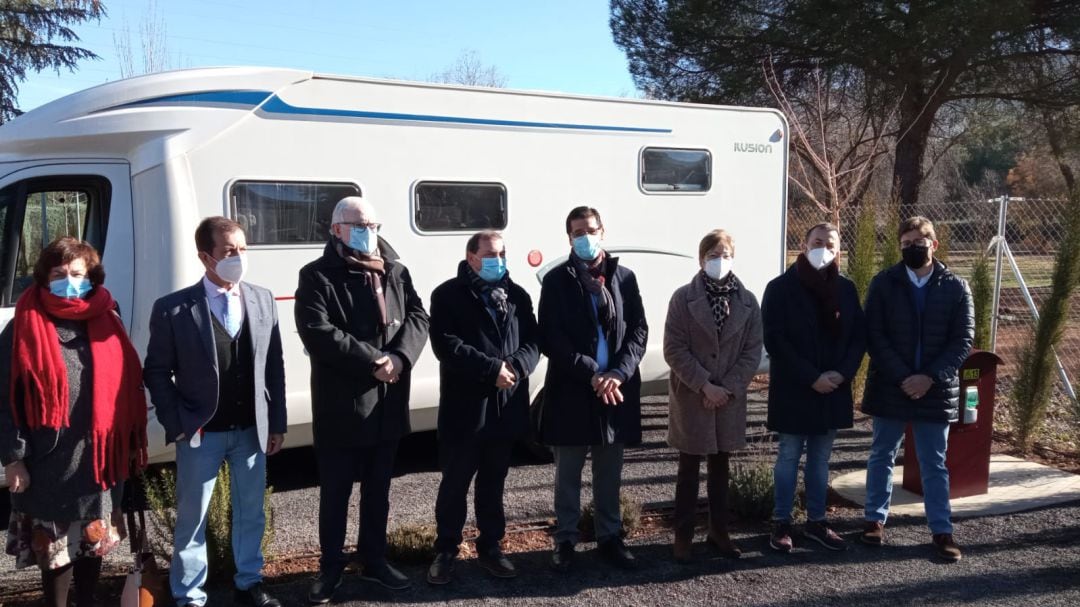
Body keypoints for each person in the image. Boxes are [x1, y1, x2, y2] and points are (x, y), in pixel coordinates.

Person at [143, 217, 286, 607]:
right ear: (206, 257)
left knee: (251, 513)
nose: (238, 257)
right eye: (229, 251)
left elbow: (274, 364)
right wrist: (178, 423)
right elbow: (156, 371)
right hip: (201, 432)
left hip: (251, 431)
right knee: (192, 519)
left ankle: (249, 582)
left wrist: (277, 422)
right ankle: (189, 595)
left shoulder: (262, 298)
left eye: (242, 249)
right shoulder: (174, 309)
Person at [0, 237, 148, 607]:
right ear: (44, 277)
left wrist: (128, 445)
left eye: (77, 273)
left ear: (92, 276)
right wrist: (13, 457)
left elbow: (127, 385)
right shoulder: (22, 327)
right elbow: (3, 400)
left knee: (91, 548)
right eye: (59, 273)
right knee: (55, 556)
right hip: (49, 463)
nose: (69, 280)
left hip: (98, 461)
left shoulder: (107, 320)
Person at [296, 197, 430, 603]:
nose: (367, 230)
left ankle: (374, 560)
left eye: (372, 223)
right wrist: (373, 360)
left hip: (388, 401)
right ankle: (330, 568)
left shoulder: (396, 271)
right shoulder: (317, 276)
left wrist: (400, 357)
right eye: (358, 224)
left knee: (378, 492)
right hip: (342, 406)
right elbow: (317, 330)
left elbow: (418, 318)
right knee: (335, 494)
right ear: (336, 229)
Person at [426, 231, 540, 585]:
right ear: (471, 257)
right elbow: (447, 345)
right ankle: (446, 550)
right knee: (455, 484)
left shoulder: (518, 296)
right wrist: (491, 370)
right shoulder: (447, 295)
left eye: (503, 253)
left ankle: (491, 546)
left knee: (493, 483)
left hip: (506, 410)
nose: (499, 260)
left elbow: (534, 342)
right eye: (491, 254)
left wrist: (517, 367)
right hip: (466, 411)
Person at [538, 206, 648, 572]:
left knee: (609, 472)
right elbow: (552, 337)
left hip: (615, 391)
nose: (584, 237)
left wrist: (617, 373)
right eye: (577, 232)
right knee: (567, 473)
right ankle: (566, 540)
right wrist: (592, 374)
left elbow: (638, 332)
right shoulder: (556, 281)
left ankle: (610, 537)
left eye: (590, 229)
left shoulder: (625, 278)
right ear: (568, 237)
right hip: (572, 389)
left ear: (603, 230)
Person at [861, 216, 973, 562]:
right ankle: (874, 520)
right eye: (906, 243)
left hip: (934, 390)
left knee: (934, 462)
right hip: (892, 386)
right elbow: (874, 335)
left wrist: (928, 378)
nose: (913, 247)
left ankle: (941, 529)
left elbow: (962, 341)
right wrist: (903, 377)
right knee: (882, 455)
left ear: (934, 243)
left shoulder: (956, 287)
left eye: (919, 241)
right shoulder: (884, 283)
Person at [762, 223, 865, 553]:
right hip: (795, 389)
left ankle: (817, 522)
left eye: (830, 243)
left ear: (838, 249)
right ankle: (781, 523)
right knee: (788, 457)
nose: (824, 247)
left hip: (832, 389)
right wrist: (811, 377)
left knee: (821, 460)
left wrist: (841, 374)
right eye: (817, 242)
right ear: (803, 245)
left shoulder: (846, 289)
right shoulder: (780, 288)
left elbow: (857, 339)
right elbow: (775, 341)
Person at [664, 229, 762, 563]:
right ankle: (683, 535)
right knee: (688, 470)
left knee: (721, 468)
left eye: (725, 255)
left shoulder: (748, 302)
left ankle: (719, 531)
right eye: (713, 255)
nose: (719, 261)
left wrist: (727, 389)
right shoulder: (682, 298)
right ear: (701, 258)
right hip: (693, 397)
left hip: (728, 400)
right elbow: (674, 349)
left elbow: (752, 353)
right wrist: (705, 385)